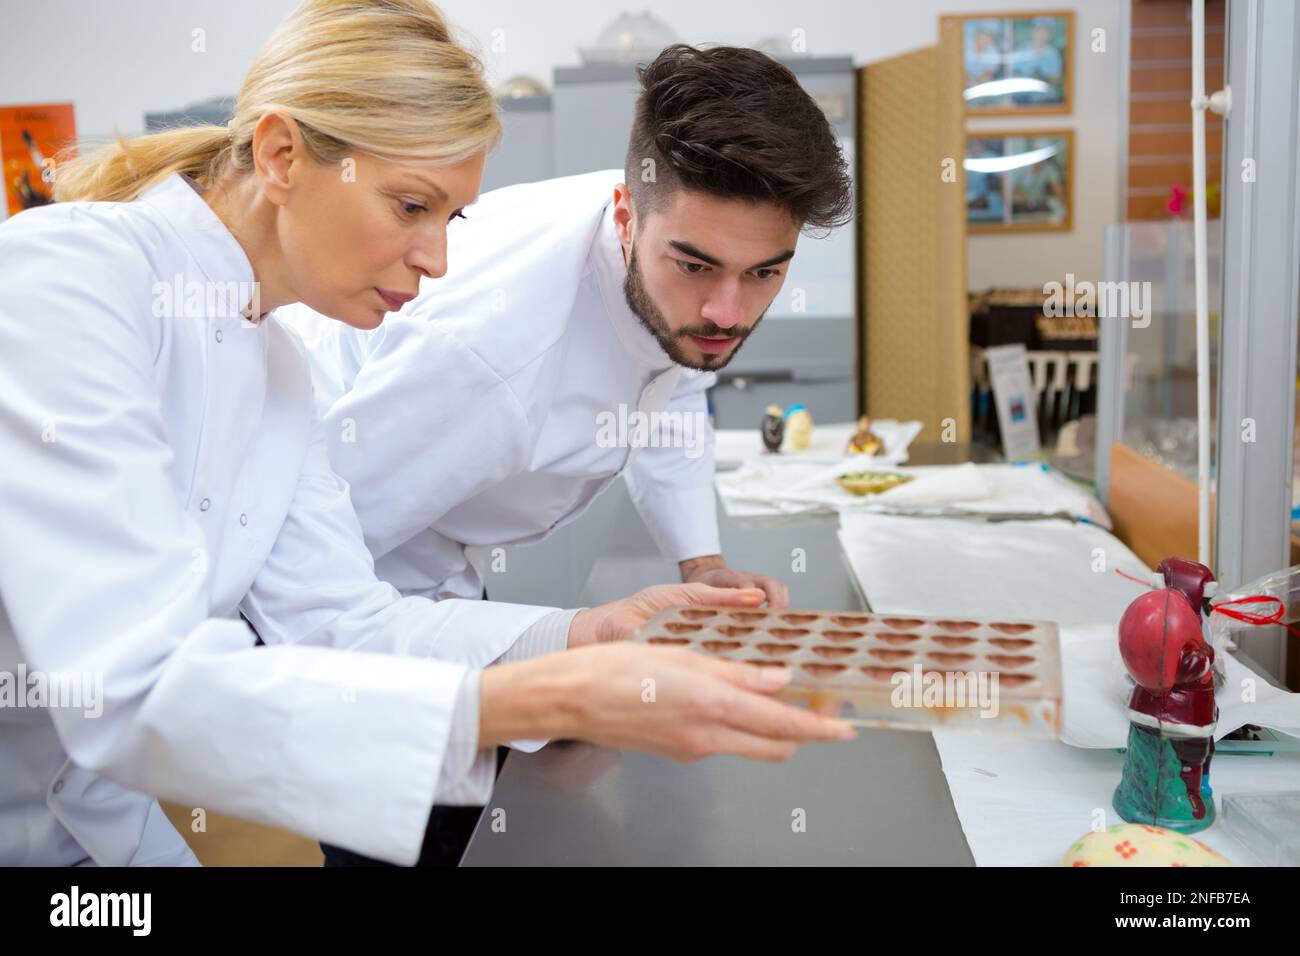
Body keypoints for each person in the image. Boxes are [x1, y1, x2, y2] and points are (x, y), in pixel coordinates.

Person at [0, 0, 856, 868]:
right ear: (281, 155)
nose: (437, 260)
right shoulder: (68, 281)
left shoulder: (278, 369)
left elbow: (344, 622)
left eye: (449, 218)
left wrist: (588, 635)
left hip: (100, 837)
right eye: (410, 205)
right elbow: (136, 692)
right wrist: (543, 701)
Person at [279, 45, 854, 619]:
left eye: (764, 272)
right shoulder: (489, 351)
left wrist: (701, 563)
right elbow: (309, 559)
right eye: (696, 267)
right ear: (626, 220)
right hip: (366, 558)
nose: (727, 313)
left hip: (432, 542)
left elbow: (677, 389)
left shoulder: (672, 233)